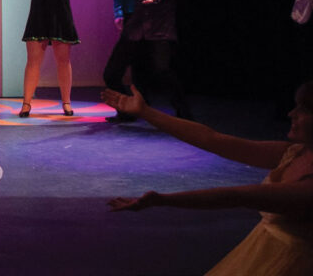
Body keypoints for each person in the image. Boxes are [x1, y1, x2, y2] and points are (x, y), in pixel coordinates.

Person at [101, 83, 313, 275]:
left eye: (304, 110)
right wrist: (146, 113)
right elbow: (212, 139)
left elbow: (236, 196)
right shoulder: (295, 153)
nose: (291, 113)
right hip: (261, 254)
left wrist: (163, 199)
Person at [91, 0, 191, 119]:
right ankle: (127, 111)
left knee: (162, 72)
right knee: (111, 73)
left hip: (159, 33)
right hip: (135, 32)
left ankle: (184, 114)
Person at [11, 0, 79, 117]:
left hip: (60, 17)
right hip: (39, 17)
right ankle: (26, 104)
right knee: (33, 62)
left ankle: (66, 103)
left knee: (63, 62)